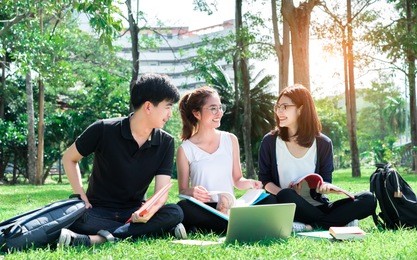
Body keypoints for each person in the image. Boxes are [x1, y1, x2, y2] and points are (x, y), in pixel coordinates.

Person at [58, 74, 186, 247]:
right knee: (75, 217)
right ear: (148, 106)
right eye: (168, 107)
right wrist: (81, 196)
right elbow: (69, 158)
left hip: (134, 213)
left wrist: (148, 212)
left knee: (175, 212)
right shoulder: (103, 129)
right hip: (96, 212)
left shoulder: (166, 142)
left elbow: (160, 194)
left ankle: (98, 239)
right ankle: (152, 230)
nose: (170, 114)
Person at [258, 84, 376, 230]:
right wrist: (284, 193)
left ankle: (308, 225)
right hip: (287, 204)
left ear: (301, 109)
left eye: (285, 106)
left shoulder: (323, 143)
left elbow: (325, 179)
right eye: (277, 107)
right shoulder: (270, 141)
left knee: (368, 199)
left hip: (316, 206)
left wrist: (325, 187)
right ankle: (337, 222)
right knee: (283, 195)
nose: (279, 111)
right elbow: (265, 180)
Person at [176, 86, 275, 234]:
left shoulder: (230, 139)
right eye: (213, 108)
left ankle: (207, 227)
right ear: (197, 113)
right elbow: (183, 191)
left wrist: (250, 183)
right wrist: (193, 191)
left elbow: (237, 179)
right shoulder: (185, 149)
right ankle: (237, 226)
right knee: (183, 207)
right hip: (206, 208)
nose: (220, 113)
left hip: (229, 206)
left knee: (270, 200)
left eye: (220, 107)